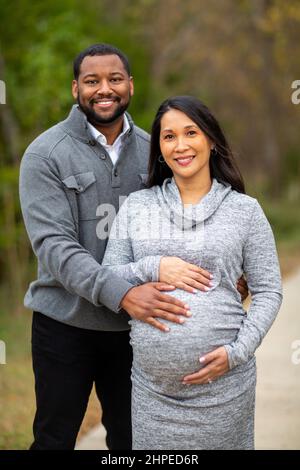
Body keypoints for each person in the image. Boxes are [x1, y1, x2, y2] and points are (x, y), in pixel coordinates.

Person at [19, 44, 247, 450]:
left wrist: (229, 268)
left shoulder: (156, 148)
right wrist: (123, 293)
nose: (104, 89)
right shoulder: (45, 154)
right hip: (65, 326)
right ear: (76, 89)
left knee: (133, 442)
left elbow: (186, 219)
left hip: (135, 331)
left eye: (114, 79)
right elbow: (55, 248)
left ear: (131, 86)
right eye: (92, 81)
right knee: (54, 439)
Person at [102, 95, 283, 450]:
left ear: (211, 141)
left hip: (225, 389)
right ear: (159, 148)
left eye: (191, 133)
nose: (180, 145)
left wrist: (238, 352)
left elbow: (268, 290)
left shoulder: (245, 211)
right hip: (153, 394)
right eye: (169, 137)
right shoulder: (138, 206)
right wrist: (153, 266)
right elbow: (109, 276)